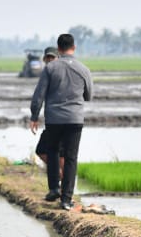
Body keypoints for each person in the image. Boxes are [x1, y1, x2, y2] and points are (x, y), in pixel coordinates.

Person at [30, 33, 94, 210]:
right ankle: (66, 199)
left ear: (58, 49)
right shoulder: (84, 69)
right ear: (73, 48)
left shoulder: (50, 68)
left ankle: (54, 189)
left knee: (52, 151)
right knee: (71, 158)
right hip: (75, 119)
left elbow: (38, 96)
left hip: (54, 119)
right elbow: (89, 96)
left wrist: (34, 116)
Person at [34, 46, 64, 178]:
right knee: (42, 150)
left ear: (58, 58)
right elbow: (39, 95)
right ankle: (59, 173)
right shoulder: (46, 73)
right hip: (53, 119)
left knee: (61, 152)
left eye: (53, 57)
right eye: (48, 58)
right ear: (45, 59)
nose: (50, 60)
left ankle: (63, 182)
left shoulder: (62, 72)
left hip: (62, 118)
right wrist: (35, 115)